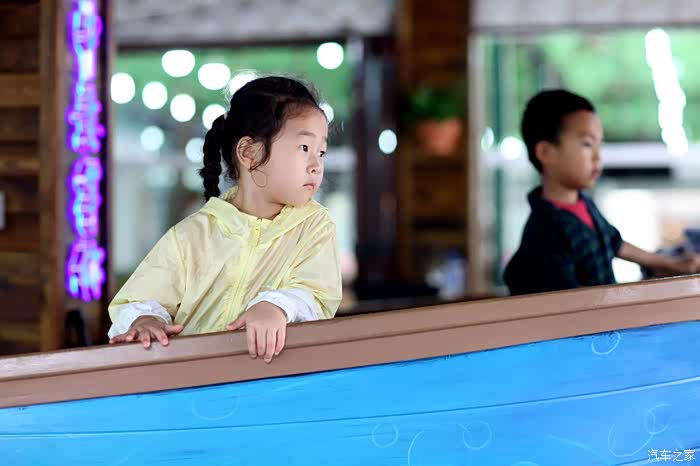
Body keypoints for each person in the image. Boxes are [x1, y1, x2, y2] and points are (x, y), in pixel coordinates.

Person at [108, 76, 342, 362]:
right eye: (304, 148)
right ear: (249, 152)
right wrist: (144, 320)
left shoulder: (315, 227)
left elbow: (317, 296)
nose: (317, 165)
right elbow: (139, 299)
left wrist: (277, 306)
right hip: (193, 380)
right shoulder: (191, 235)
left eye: (321, 152)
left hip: (275, 381)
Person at [503, 89, 699, 295]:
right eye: (587, 144)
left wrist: (670, 264)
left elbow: (614, 242)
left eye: (599, 145)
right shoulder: (545, 231)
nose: (598, 157)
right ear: (545, 152)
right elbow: (566, 300)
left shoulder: (584, 204)